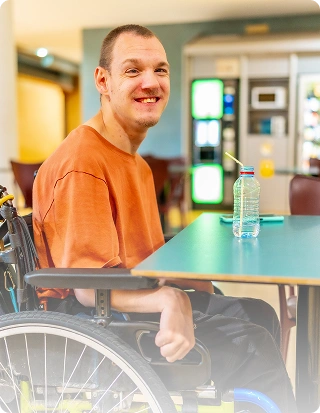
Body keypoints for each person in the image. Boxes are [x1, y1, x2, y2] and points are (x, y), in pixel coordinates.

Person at [32, 24, 297, 412]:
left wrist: (190, 283)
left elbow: (145, 257)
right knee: (252, 343)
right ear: (102, 81)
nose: (151, 82)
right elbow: (87, 288)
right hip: (92, 320)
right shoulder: (83, 162)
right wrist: (171, 299)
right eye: (133, 70)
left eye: (160, 70)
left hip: (119, 302)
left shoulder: (134, 163)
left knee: (259, 313)